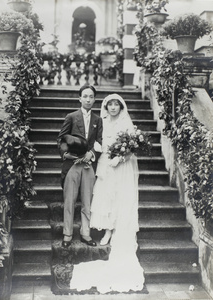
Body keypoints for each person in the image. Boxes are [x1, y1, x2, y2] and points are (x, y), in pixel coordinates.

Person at [70, 93, 145, 293]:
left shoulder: (127, 123)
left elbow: (131, 147)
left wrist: (119, 159)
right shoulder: (100, 121)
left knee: (118, 196)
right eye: (109, 104)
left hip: (120, 165)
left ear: (121, 107)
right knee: (104, 195)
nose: (113, 107)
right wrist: (97, 148)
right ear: (106, 106)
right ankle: (107, 229)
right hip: (104, 164)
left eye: (116, 104)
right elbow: (98, 142)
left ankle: (115, 229)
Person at [57, 84, 103, 248]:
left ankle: (86, 233)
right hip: (72, 165)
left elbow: (100, 141)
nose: (88, 99)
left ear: (94, 99)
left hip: (88, 165)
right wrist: (65, 154)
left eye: (91, 96)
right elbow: (61, 139)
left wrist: (92, 153)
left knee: (87, 201)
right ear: (80, 98)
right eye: (85, 96)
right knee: (69, 200)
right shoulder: (71, 117)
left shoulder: (98, 120)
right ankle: (67, 234)